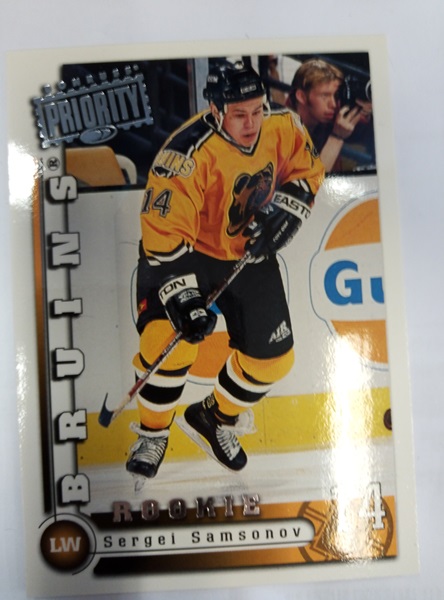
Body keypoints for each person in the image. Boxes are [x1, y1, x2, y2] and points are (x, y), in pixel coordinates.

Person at [126, 61, 325, 484]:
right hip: (183, 254)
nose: (251, 123)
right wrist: (183, 296)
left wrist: (289, 207)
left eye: (257, 110)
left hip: (244, 251)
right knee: (169, 344)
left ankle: (211, 417)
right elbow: (163, 233)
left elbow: (307, 171)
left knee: (273, 360)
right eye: (239, 114)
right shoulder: (184, 156)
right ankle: (152, 434)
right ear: (216, 110)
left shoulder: (283, 125)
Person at [286, 58, 373, 173]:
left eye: (335, 95)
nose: (333, 104)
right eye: (325, 96)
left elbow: (361, 134)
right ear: (301, 96)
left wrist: (366, 111)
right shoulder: (283, 132)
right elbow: (310, 180)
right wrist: (336, 137)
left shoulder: (325, 120)